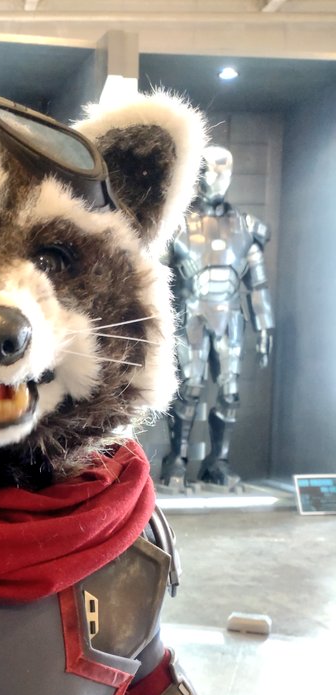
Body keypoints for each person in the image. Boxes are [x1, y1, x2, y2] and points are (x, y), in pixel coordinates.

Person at [161, 144, 275, 487]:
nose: (218, 179)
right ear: (198, 174)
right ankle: (176, 461)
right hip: (192, 315)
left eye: (225, 171)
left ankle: (218, 462)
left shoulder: (246, 226)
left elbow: (257, 283)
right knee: (190, 388)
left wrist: (264, 326)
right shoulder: (177, 225)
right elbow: (154, 279)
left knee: (229, 393)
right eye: (212, 170)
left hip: (230, 317)